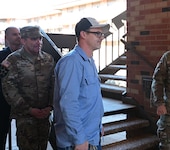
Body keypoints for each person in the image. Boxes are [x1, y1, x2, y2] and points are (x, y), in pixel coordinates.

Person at [53, 17, 109, 150]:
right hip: (78, 142)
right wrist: (79, 139)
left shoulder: (88, 61)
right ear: (83, 34)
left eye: (102, 34)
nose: (101, 37)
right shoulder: (71, 62)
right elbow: (68, 104)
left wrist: (98, 125)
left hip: (91, 136)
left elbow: (89, 99)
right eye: (97, 33)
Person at [2, 26, 55, 149]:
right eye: (34, 39)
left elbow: (54, 84)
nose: (39, 42)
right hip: (25, 118)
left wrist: (50, 106)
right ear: (23, 40)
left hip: (45, 116)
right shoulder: (13, 60)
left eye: (40, 38)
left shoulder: (48, 59)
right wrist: (29, 109)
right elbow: (9, 88)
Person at [0, 27, 22, 150]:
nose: (18, 37)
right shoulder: (2, 56)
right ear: (6, 38)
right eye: (14, 34)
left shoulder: (25, 56)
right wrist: (3, 67)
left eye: (19, 34)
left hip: (23, 103)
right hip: (3, 104)